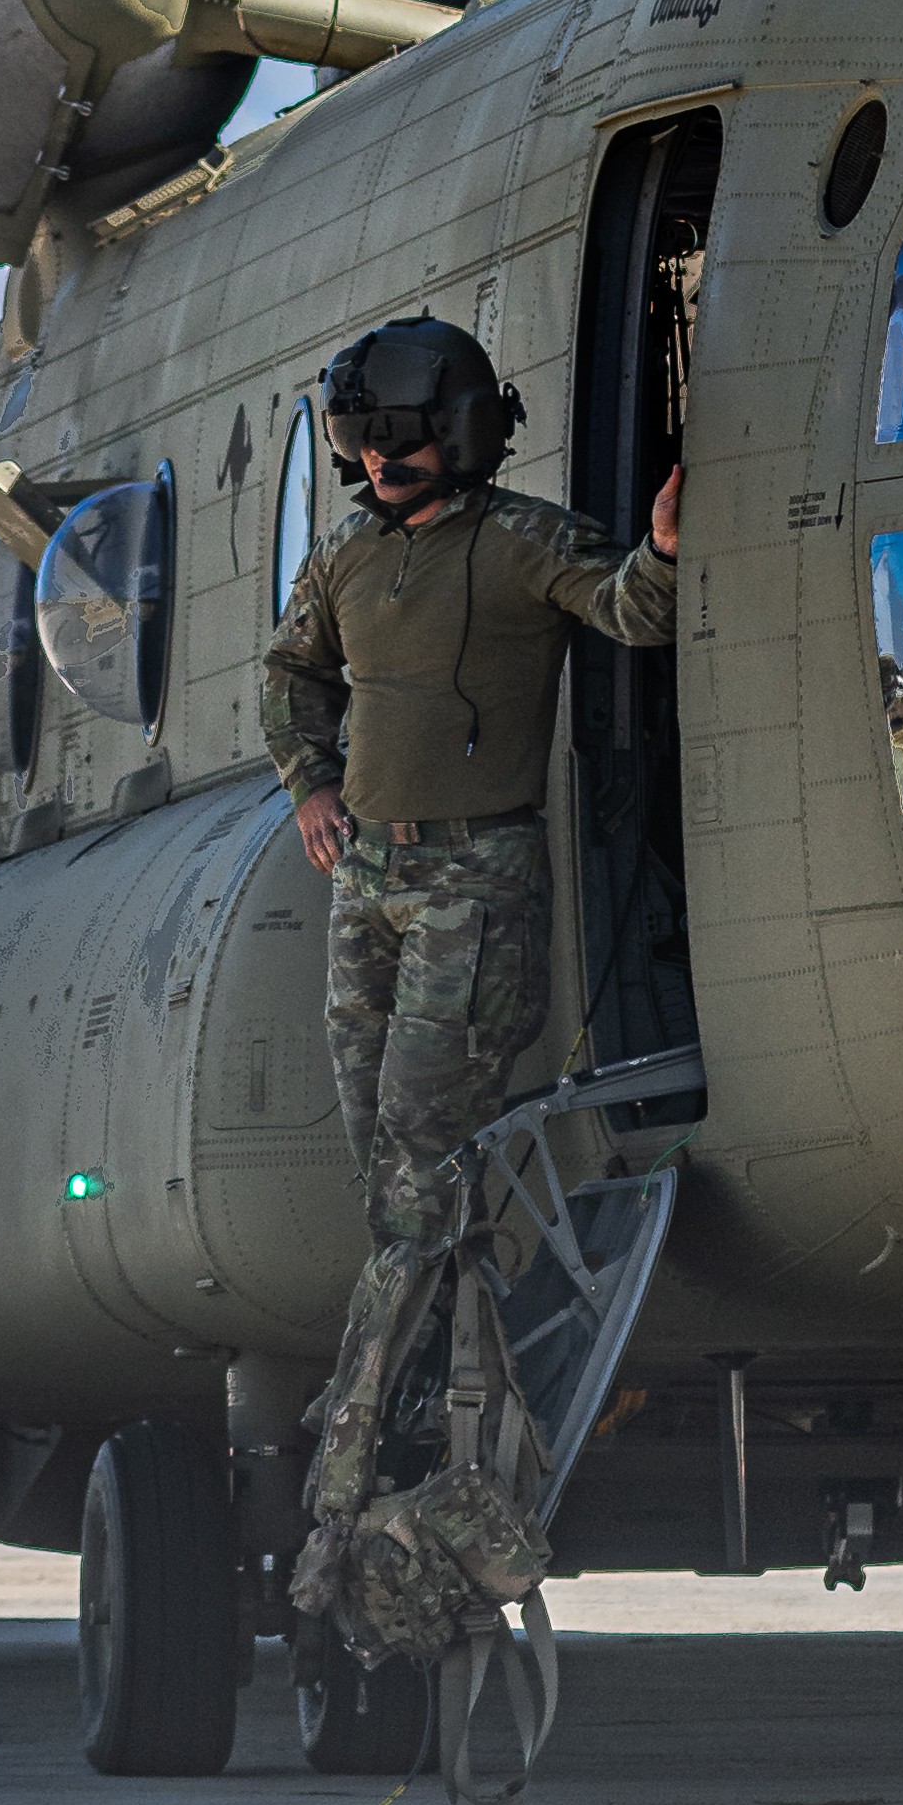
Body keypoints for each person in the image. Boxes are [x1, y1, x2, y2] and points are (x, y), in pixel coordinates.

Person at [260, 320, 676, 1511]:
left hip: (474, 884)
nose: (375, 465)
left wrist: (657, 549)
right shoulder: (345, 558)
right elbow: (291, 673)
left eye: (395, 442)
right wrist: (311, 783)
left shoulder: (520, 543)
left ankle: (378, 1408)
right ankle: (434, 1365)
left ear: (455, 436)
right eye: (359, 443)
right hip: (370, 883)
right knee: (382, 1155)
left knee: (419, 1156)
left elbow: (625, 610)